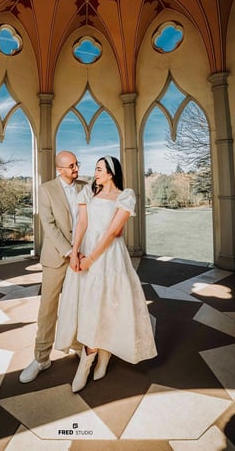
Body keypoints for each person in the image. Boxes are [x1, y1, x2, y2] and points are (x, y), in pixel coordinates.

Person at [55, 155, 157, 392]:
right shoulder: (88, 193)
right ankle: (91, 357)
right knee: (88, 305)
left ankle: (101, 355)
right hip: (86, 251)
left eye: (100, 169)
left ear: (111, 173)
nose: (95, 172)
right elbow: (81, 224)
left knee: (107, 305)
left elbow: (112, 232)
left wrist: (91, 259)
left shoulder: (125, 195)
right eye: (96, 169)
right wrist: (75, 253)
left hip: (109, 257)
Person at [19, 151, 86, 383]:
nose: (76, 169)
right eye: (71, 166)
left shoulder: (85, 187)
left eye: (77, 164)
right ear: (59, 169)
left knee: (79, 304)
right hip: (57, 257)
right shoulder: (47, 189)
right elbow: (48, 224)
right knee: (48, 308)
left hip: (83, 257)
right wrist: (70, 251)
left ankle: (78, 345)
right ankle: (41, 358)